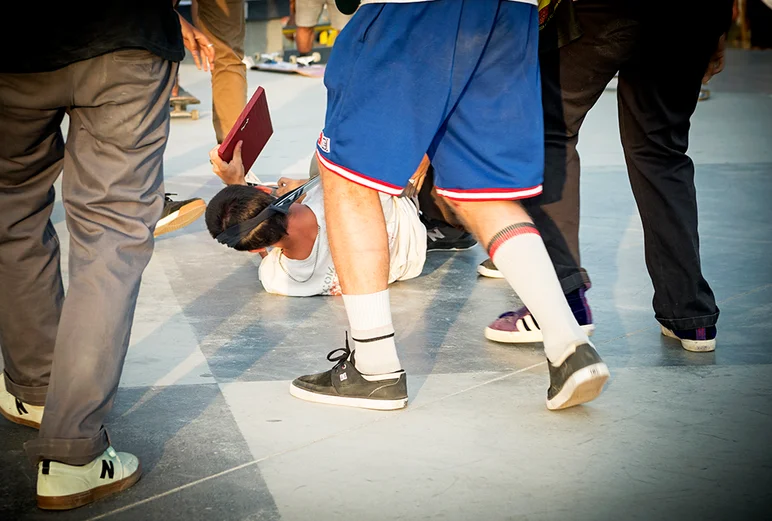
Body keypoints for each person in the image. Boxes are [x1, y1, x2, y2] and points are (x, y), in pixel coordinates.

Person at [281, 0, 610, 412]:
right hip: (509, 13)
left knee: (348, 177)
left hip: (412, 9)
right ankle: (569, 345)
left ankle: (373, 366)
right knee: (482, 191)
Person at [0, 3, 213, 510]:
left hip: (15, 49)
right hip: (126, 36)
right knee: (111, 236)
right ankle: (73, 456)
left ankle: (36, 390)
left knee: (10, 212)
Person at [483, 0, 733, 353]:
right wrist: (718, 23)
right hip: (693, 14)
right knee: (661, 150)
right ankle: (691, 315)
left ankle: (561, 299)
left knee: (550, 129)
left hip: (604, 9)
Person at [206, 143, 427, 296]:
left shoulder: (279, 280)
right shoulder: (343, 187)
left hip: (410, 261)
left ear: (254, 248)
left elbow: (264, 249)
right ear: (264, 190)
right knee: (325, 153)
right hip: (408, 207)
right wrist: (311, 182)